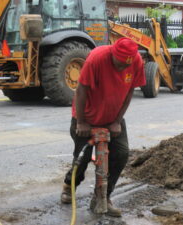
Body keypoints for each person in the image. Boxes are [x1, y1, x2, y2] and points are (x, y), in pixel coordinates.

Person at [61, 37, 146, 217]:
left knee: (122, 154)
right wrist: (81, 122)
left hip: (113, 118)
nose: (123, 68)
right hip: (87, 117)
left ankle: (103, 196)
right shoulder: (97, 58)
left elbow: (130, 90)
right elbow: (81, 89)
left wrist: (117, 121)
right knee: (81, 160)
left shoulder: (135, 60)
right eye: (120, 64)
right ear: (113, 54)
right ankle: (69, 186)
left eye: (126, 65)